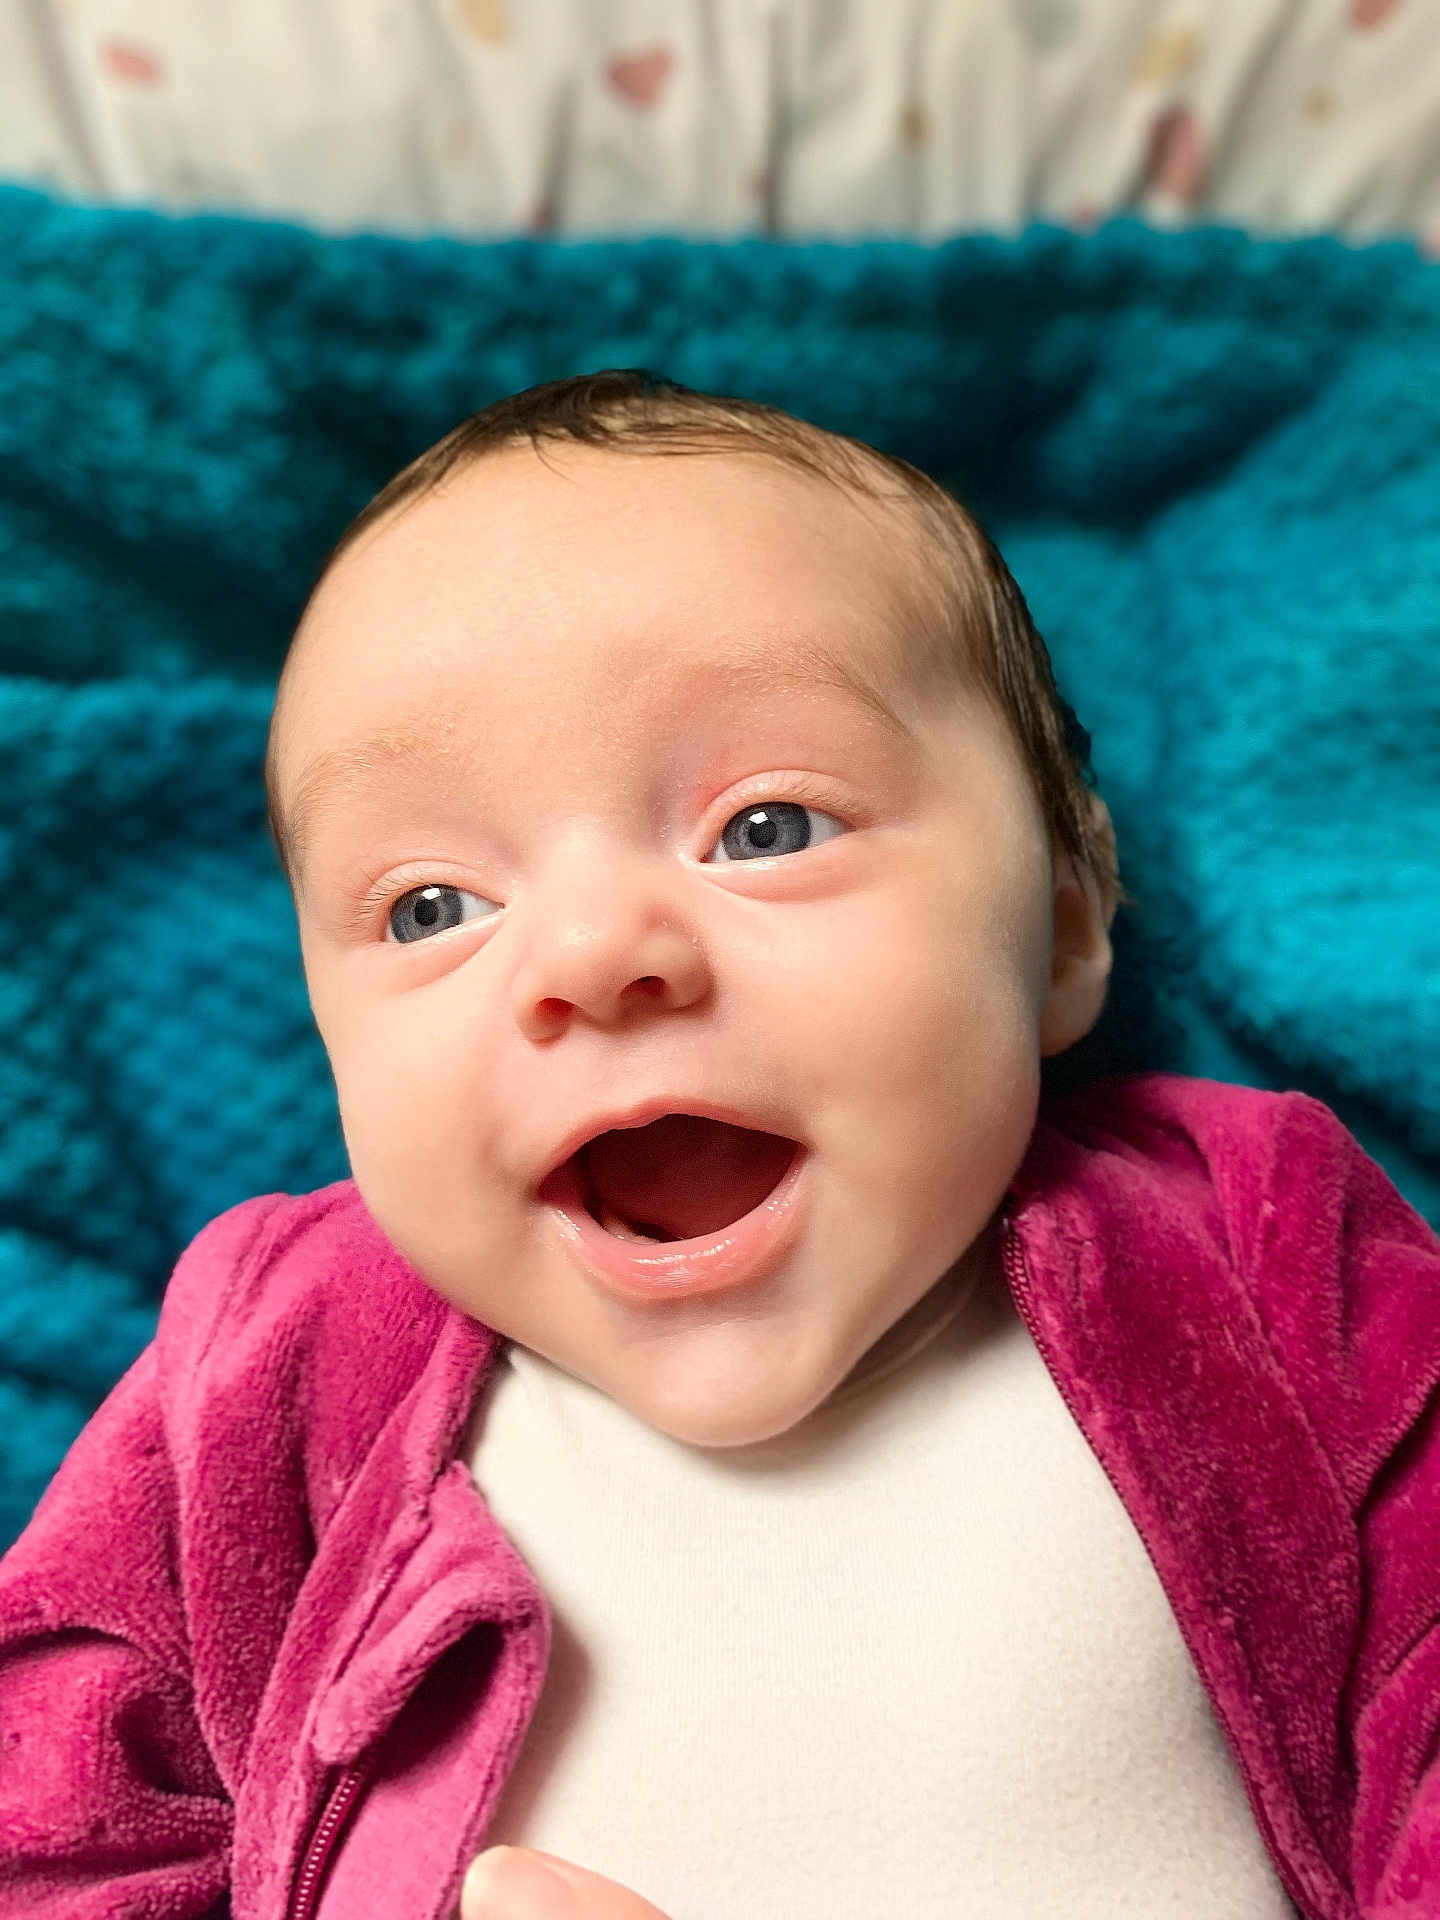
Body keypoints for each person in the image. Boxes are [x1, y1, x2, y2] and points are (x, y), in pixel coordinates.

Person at [1, 369, 1436, 1920]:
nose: (594, 953)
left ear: (1073, 921)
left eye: (768, 827)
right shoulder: (274, 1360)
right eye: (431, 908)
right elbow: (56, 1825)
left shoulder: (1258, 1243)